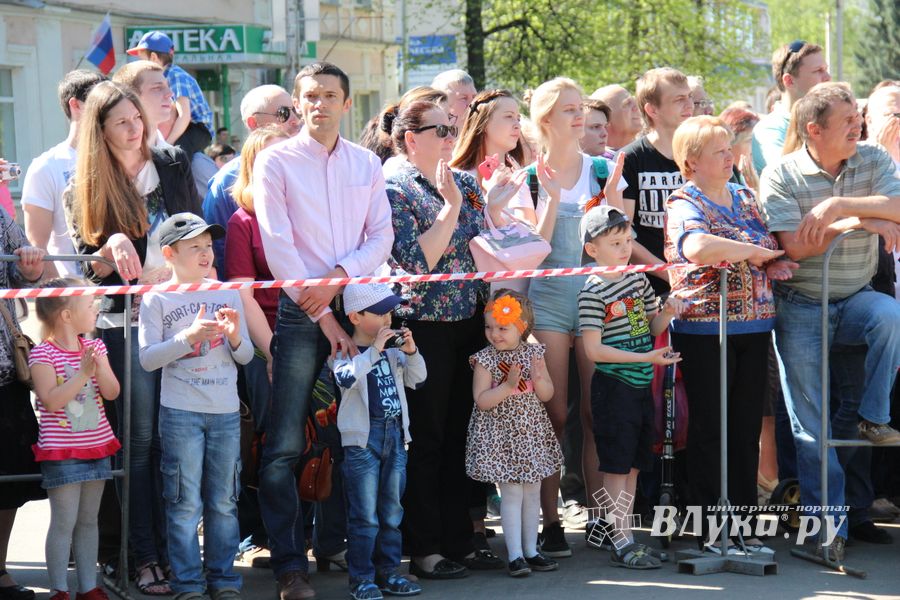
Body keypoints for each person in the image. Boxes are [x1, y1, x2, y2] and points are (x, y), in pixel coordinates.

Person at [253, 62, 393, 600]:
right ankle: (290, 564)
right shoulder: (275, 161)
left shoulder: (365, 163)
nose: (320, 104)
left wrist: (337, 282)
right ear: (296, 101)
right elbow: (277, 245)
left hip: (355, 310)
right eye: (310, 96)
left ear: (346, 102)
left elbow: (380, 235)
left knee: (354, 439)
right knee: (285, 444)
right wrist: (322, 312)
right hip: (300, 312)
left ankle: (349, 555)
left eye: (330, 95)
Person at [65, 81, 202, 596]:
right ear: (99, 131)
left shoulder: (170, 163)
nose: (135, 129)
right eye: (121, 122)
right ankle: (144, 556)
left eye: (137, 118)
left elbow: (195, 232)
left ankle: (179, 554)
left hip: (181, 318)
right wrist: (110, 242)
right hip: (125, 329)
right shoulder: (82, 184)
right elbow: (93, 269)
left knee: (178, 442)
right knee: (140, 443)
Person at [759, 82, 900, 561]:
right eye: (847, 120)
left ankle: (873, 419)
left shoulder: (874, 158)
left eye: (857, 117)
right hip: (799, 306)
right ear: (813, 130)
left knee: (890, 316)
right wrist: (859, 220)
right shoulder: (780, 173)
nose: (857, 124)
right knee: (810, 425)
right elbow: (794, 246)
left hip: (857, 297)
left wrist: (840, 206)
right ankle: (827, 531)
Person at [385, 99, 507, 578]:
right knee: (428, 438)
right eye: (440, 130)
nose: (450, 139)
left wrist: (493, 207)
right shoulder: (394, 188)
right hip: (424, 328)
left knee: (462, 433)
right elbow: (417, 264)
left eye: (453, 129)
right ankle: (426, 547)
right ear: (411, 139)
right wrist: (452, 207)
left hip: (469, 322)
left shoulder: (469, 181)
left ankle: (461, 538)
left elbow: (485, 244)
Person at [666, 115, 798, 554]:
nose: (730, 156)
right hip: (705, 329)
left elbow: (762, 249)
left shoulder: (744, 195)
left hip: (755, 325)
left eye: (729, 148)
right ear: (692, 161)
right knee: (711, 428)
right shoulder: (685, 199)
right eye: (719, 151)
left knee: (744, 429)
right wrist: (755, 254)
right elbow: (696, 247)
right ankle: (712, 528)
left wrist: (770, 263)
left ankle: (743, 527)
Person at [521, 78, 625, 556]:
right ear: (545, 120)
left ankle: (603, 517)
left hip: (596, 300)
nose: (579, 115)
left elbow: (619, 244)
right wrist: (548, 196)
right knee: (553, 414)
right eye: (567, 109)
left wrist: (615, 198)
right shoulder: (526, 176)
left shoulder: (602, 168)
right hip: (547, 299)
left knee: (596, 411)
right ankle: (550, 520)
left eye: (579, 107)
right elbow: (530, 253)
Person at [139, 213, 252, 600]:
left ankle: (223, 580)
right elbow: (147, 359)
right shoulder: (156, 298)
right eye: (195, 248)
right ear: (169, 254)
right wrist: (186, 338)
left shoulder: (226, 293)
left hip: (224, 412)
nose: (206, 254)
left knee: (224, 501)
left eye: (208, 246)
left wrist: (236, 338)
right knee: (184, 503)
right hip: (180, 414)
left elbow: (247, 355)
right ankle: (188, 584)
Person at [578, 205, 682, 569]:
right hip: (614, 388)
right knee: (617, 467)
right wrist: (646, 361)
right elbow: (593, 349)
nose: (625, 249)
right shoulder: (592, 290)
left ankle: (627, 537)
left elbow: (650, 329)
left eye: (627, 241)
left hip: (639, 387)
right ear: (592, 250)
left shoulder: (638, 280)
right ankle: (620, 539)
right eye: (615, 242)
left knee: (635, 466)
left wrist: (666, 312)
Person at [330, 283, 426, 600]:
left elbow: (419, 378)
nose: (388, 320)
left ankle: (389, 573)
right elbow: (344, 379)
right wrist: (373, 352)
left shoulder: (395, 352)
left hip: (395, 435)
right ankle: (361, 578)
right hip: (362, 441)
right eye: (380, 313)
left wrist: (411, 352)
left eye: (390, 312)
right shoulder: (345, 351)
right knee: (364, 516)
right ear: (355, 316)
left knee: (391, 512)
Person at [29, 278, 121, 600]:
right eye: (89, 304)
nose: (96, 308)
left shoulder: (95, 348)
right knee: (64, 522)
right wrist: (82, 374)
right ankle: (58, 589)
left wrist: (98, 368)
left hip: (96, 446)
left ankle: (88, 587)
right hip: (62, 452)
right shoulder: (42, 354)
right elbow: (51, 400)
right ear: (67, 315)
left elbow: (112, 392)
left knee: (88, 521)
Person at [224, 125, 289, 567]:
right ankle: (271, 537)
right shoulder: (242, 221)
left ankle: (322, 535)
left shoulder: (304, 211)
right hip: (265, 337)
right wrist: (272, 353)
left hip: (314, 331)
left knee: (320, 439)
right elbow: (243, 296)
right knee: (272, 443)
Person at [466, 289, 562, 577]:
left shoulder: (535, 353)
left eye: (502, 328)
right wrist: (507, 386)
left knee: (532, 491)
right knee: (510, 493)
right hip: (501, 435)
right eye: (489, 327)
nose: (494, 334)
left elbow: (546, 394)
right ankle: (515, 554)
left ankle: (531, 550)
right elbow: (481, 400)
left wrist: (538, 377)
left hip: (530, 431)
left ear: (522, 327)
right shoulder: (485, 359)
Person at [203, 84, 302, 278]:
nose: (295, 121)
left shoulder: (311, 167)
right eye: (283, 113)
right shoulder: (226, 182)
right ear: (253, 122)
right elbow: (221, 251)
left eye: (295, 111)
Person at [0, 214, 46, 600]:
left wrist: (30, 267)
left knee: (10, 480)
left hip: (2, 372)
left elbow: (27, 273)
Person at [22, 70, 106, 278]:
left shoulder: (122, 159)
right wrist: (68, 295)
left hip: (124, 292)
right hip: (73, 299)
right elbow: (37, 248)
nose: (108, 110)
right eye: (99, 103)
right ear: (75, 105)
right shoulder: (45, 167)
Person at [621, 67, 694, 296]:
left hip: (700, 282)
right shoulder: (631, 159)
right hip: (649, 291)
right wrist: (668, 272)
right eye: (679, 99)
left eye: (689, 97)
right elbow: (624, 234)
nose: (689, 104)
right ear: (652, 109)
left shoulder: (700, 152)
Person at [127, 31, 214, 156]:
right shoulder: (163, 76)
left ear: (153, 57)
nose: (140, 64)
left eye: (142, 59)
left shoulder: (175, 76)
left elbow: (184, 115)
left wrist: (167, 144)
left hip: (198, 128)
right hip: (186, 126)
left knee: (176, 155)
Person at [752, 41, 830, 172]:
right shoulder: (769, 129)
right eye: (818, 71)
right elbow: (788, 174)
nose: (828, 77)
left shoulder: (829, 120)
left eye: (826, 70)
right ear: (789, 81)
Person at [112, 61, 175, 150]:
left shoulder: (174, 157)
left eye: (168, 86)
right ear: (131, 95)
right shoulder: (108, 156)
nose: (170, 93)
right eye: (157, 88)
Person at [589, 85, 643, 155]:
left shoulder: (651, 154)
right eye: (627, 103)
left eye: (635, 101)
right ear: (605, 118)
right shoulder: (591, 163)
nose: (637, 106)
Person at [719, 106, 760, 188]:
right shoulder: (721, 181)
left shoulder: (756, 173)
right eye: (750, 140)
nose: (757, 145)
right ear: (730, 144)